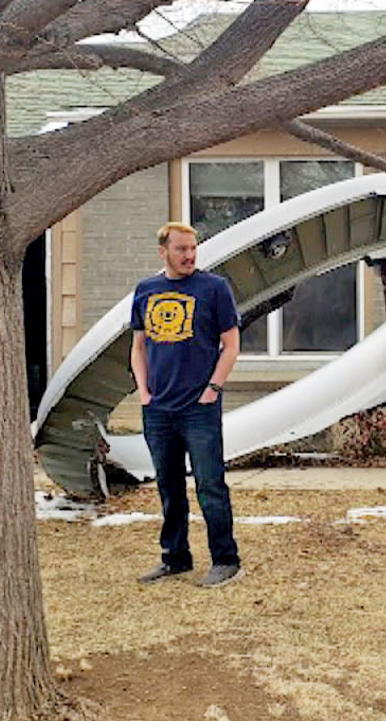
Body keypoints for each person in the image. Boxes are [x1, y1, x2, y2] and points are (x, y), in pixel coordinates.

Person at [130, 221, 243, 588]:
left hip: (199, 408)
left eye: (193, 248)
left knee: (210, 486)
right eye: (181, 249)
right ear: (163, 251)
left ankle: (226, 560)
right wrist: (144, 394)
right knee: (169, 487)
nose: (189, 255)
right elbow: (138, 347)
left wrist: (212, 388)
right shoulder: (146, 291)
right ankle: (175, 558)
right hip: (159, 410)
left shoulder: (214, 289)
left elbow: (231, 344)